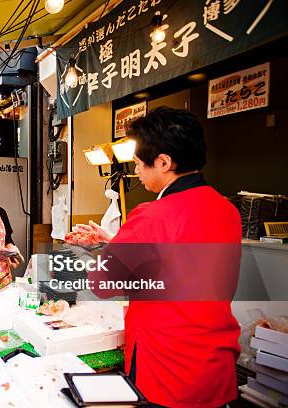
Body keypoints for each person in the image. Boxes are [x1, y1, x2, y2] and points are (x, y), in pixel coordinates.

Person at [84, 107, 241, 407]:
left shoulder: (151, 216)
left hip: (167, 373)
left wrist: (99, 250)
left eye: (140, 164)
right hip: (215, 368)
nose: (138, 172)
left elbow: (102, 283)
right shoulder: (227, 210)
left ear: (164, 162)